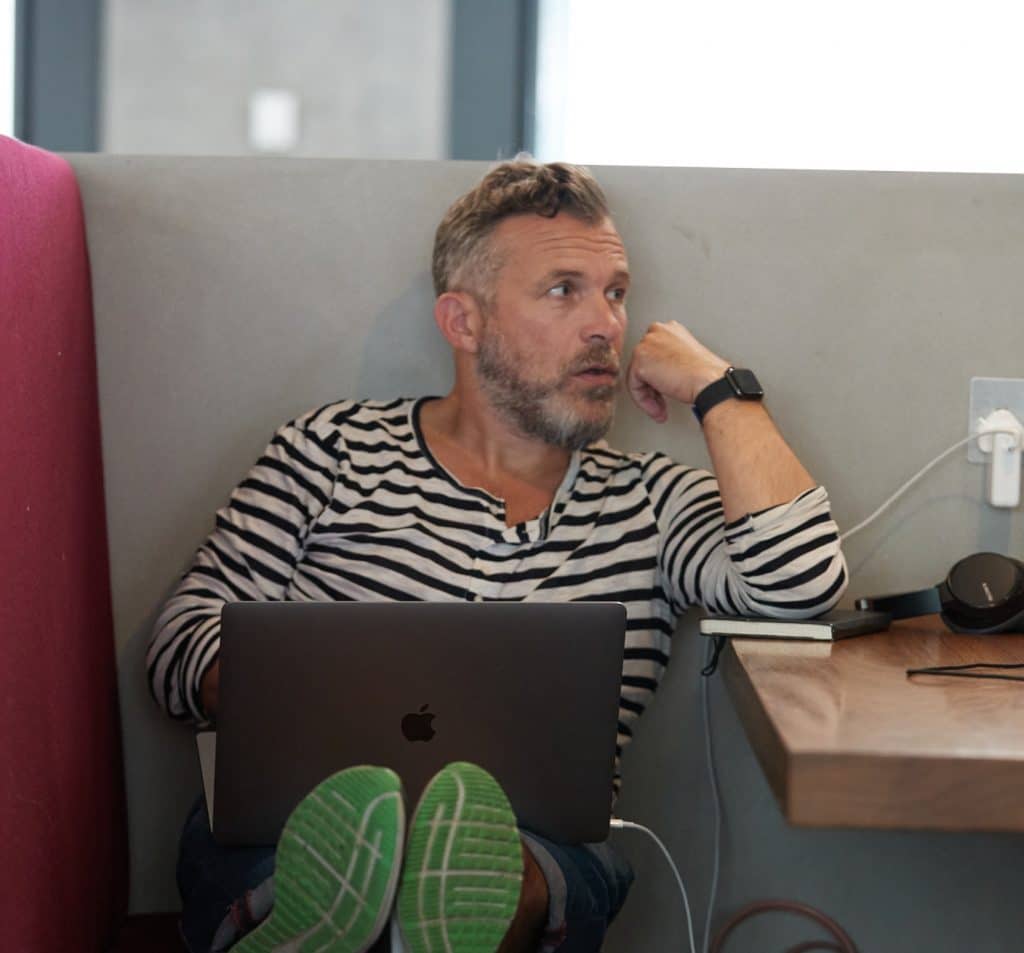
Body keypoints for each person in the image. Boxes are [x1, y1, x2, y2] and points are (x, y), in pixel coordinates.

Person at [148, 159, 847, 953]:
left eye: (616, 292)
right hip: (301, 817)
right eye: (563, 290)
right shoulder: (332, 449)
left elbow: (799, 586)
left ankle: (399, 913)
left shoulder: (649, 501)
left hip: (532, 844)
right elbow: (178, 643)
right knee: (316, 853)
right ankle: (348, 900)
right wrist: (334, 708)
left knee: (508, 871)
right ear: (463, 322)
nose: (606, 324)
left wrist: (717, 388)